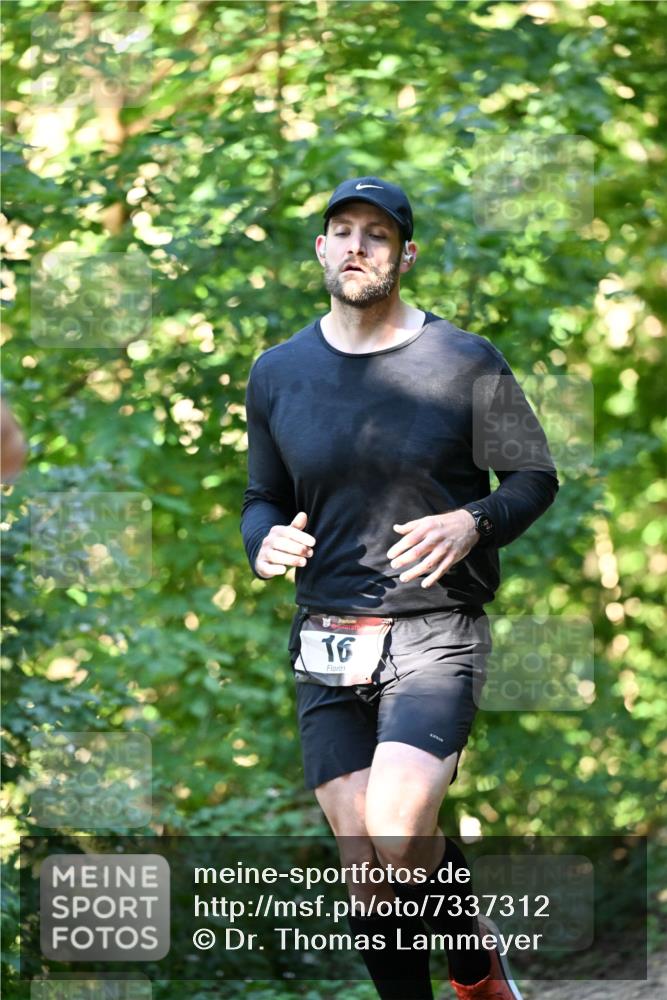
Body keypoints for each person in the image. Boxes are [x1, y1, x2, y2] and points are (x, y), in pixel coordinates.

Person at [241, 176, 559, 999]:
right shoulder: (276, 372)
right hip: (327, 637)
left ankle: (472, 970)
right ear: (320, 249)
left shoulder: (463, 359)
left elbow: (532, 476)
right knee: (367, 865)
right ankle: (470, 966)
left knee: (396, 822)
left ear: (404, 255)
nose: (356, 246)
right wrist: (262, 542)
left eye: (375, 235)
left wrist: (473, 523)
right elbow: (263, 499)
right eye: (341, 231)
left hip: (434, 631)